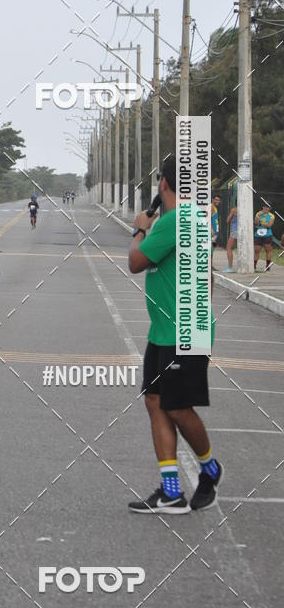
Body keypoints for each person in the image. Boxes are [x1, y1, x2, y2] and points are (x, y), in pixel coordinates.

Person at [127, 154, 222, 514]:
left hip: (182, 333)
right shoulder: (193, 218)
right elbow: (208, 275)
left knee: (179, 408)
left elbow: (136, 263)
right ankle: (171, 492)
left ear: (162, 184)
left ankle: (210, 470)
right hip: (166, 330)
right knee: (155, 401)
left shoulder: (173, 222)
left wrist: (139, 229)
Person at [254, 202, 276, 271]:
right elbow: (256, 223)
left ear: (269, 208)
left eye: (267, 207)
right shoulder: (258, 214)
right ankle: (254, 265)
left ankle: (267, 265)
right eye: (264, 207)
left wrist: (261, 223)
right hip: (258, 234)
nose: (266, 208)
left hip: (267, 234)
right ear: (262, 207)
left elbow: (269, 225)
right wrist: (258, 217)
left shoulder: (271, 215)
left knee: (268, 250)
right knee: (257, 250)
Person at [223, 205, 237, 272]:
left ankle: (230, 267)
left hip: (235, 230)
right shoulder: (247, 209)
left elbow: (228, 220)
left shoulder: (234, 210)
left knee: (229, 248)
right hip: (244, 231)